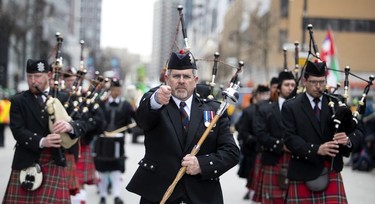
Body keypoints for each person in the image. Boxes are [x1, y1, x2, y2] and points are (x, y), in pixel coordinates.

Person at [126, 50, 240, 204]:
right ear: (167, 78)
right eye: (176, 76)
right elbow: (142, 121)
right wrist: (156, 101)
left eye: (186, 76)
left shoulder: (214, 110)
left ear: (195, 80)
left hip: (201, 196)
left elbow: (231, 152)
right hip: (159, 195)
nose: (181, 81)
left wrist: (202, 165)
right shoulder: (156, 103)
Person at [3, 59, 86, 203]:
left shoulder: (64, 98)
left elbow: (82, 123)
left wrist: (70, 126)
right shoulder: (18, 100)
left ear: (49, 75)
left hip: (54, 160)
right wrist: (42, 141)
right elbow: (17, 130)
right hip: (26, 161)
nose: (33, 81)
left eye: (37, 76)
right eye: (29, 76)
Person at [282, 60, 364, 203]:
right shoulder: (291, 106)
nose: (318, 86)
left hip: (331, 168)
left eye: (322, 81)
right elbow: (289, 138)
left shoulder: (337, 103)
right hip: (302, 170)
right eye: (314, 82)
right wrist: (316, 149)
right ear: (304, 81)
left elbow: (358, 130)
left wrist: (348, 140)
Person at [254, 70, 296, 203]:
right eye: (286, 85)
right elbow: (260, 133)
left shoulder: (300, 108)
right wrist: (281, 145)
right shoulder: (265, 108)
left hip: (296, 160)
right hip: (273, 158)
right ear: (278, 87)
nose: (290, 88)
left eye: (293, 85)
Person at [95, 78, 135, 204]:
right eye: (113, 90)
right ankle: (102, 195)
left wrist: (129, 126)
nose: (115, 92)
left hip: (118, 142)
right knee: (102, 169)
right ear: (110, 90)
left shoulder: (126, 105)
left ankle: (116, 195)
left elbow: (133, 121)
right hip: (103, 140)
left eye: (118, 90)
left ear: (121, 90)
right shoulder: (101, 104)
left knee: (116, 169)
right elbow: (96, 120)